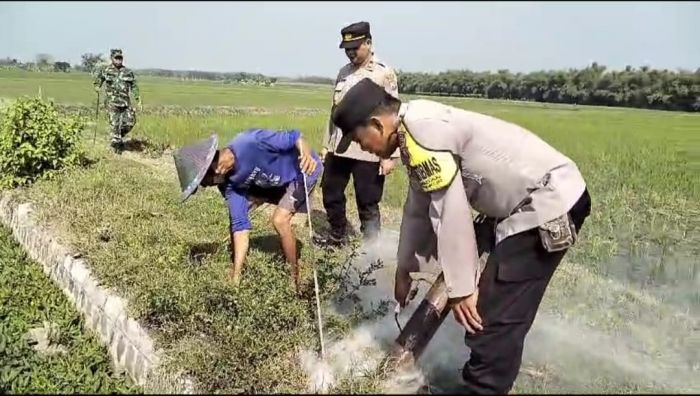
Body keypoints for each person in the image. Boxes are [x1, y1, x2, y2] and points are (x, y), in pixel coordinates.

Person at [331, 78, 592, 394]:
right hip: (512, 206)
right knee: (473, 292)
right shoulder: (412, 130)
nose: (366, 150)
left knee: (491, 314)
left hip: (547, 202)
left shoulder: (422, 135)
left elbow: (451, 211)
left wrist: (462, 287)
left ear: (376, 124)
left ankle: (484, 388)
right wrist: (406, 269)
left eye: (361, 140)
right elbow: (419, 208)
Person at [172, 129, 323, 294]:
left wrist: (306, 154)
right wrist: (236, 278)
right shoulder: (228, 185)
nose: (207, 186)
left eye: (206, 183)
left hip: (302, 172)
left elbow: (296, 136)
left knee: (279, 220)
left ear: (215, 170)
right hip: (270, 181)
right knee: (237, 215)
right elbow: (239, 226)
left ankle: (294, 279)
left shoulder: (250, 142)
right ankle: (236, 267)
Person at [318, 21, 401, 248]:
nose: (350, 53)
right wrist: (326, 145)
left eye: (355, 47)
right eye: (347, 49)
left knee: (368, 200)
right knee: (331, 191)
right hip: (340, 147)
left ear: (368, 43)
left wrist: (390, 156)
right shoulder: (343, 73)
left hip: (369, 150)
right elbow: (335, 112)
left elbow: (392, 117)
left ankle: (372, 247)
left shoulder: (384, 73)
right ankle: (337, 235)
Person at [93, 48, 142, 151]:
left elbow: (134, 86)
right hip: (112, 103)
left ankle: (118, 136)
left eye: (120, 58)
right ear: (112, 58)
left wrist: (138, 99)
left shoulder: (128, 72)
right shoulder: (106, 70)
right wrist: (97, 87)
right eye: (116, 58)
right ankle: (117, 147)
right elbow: (98, 81)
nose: (119, 60)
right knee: (114, 125)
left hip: (125, 103)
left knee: (130, 122)